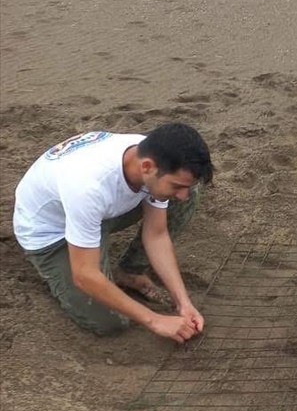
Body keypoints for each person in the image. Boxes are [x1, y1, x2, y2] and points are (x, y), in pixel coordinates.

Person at [13, 121, 214, 344]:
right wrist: (155, 320)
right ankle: (63, 269)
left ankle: (129, 272)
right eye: (176, 185)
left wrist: (183, 303)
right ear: (147, 167)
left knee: (184, 195)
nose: (182, 194)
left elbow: (156, 235)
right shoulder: (87, 187)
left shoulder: (150, 155)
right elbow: (84, 275)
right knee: (109, 322)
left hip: (97, 212)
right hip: (51, 232)